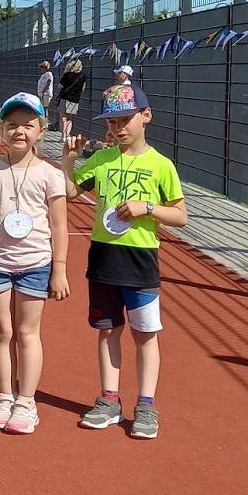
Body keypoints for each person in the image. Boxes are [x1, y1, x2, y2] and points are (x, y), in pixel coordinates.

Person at [61, 84, 187, 440]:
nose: (118, 128)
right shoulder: (101, 160)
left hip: (140, 259)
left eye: (125, 120)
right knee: (107, 330)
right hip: (103, 258)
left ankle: (146, 404)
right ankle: (109, 399)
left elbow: (180, 216)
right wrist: (68, 159)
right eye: (112, 122)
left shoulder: (161, 165)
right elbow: (70, 193)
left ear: (145, 116)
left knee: (145, 335)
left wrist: (145, 208)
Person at [0, 92, 69, 434]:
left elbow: (59, 225)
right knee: (3, 330)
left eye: (28, 125)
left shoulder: (50, 175)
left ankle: (27, 400)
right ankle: (5, 396)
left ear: (41, 129)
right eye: (12, 125)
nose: (19, 131)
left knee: (26, 332)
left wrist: (60, 268)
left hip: (36, 263)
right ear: (0, 128)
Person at [56, 59, 87, 142]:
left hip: (65, 98)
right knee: (70, 118)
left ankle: (63, 135)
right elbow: (83, 88)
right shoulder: (83, 76)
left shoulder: (67, 74)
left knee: (63, 117)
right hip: (75, 99)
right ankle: (67, 135)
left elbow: (60, 86)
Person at [36, 61, 54, 127]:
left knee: (45, 108)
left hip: (46, 94)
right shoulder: (43, 75)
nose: (41, 69)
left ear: (45, 68)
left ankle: (45, 122)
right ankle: (42, 121)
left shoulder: (49, 74)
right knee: (42, 108)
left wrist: (43, 91)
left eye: (42, 67)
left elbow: (48, 82)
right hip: (42, 94)